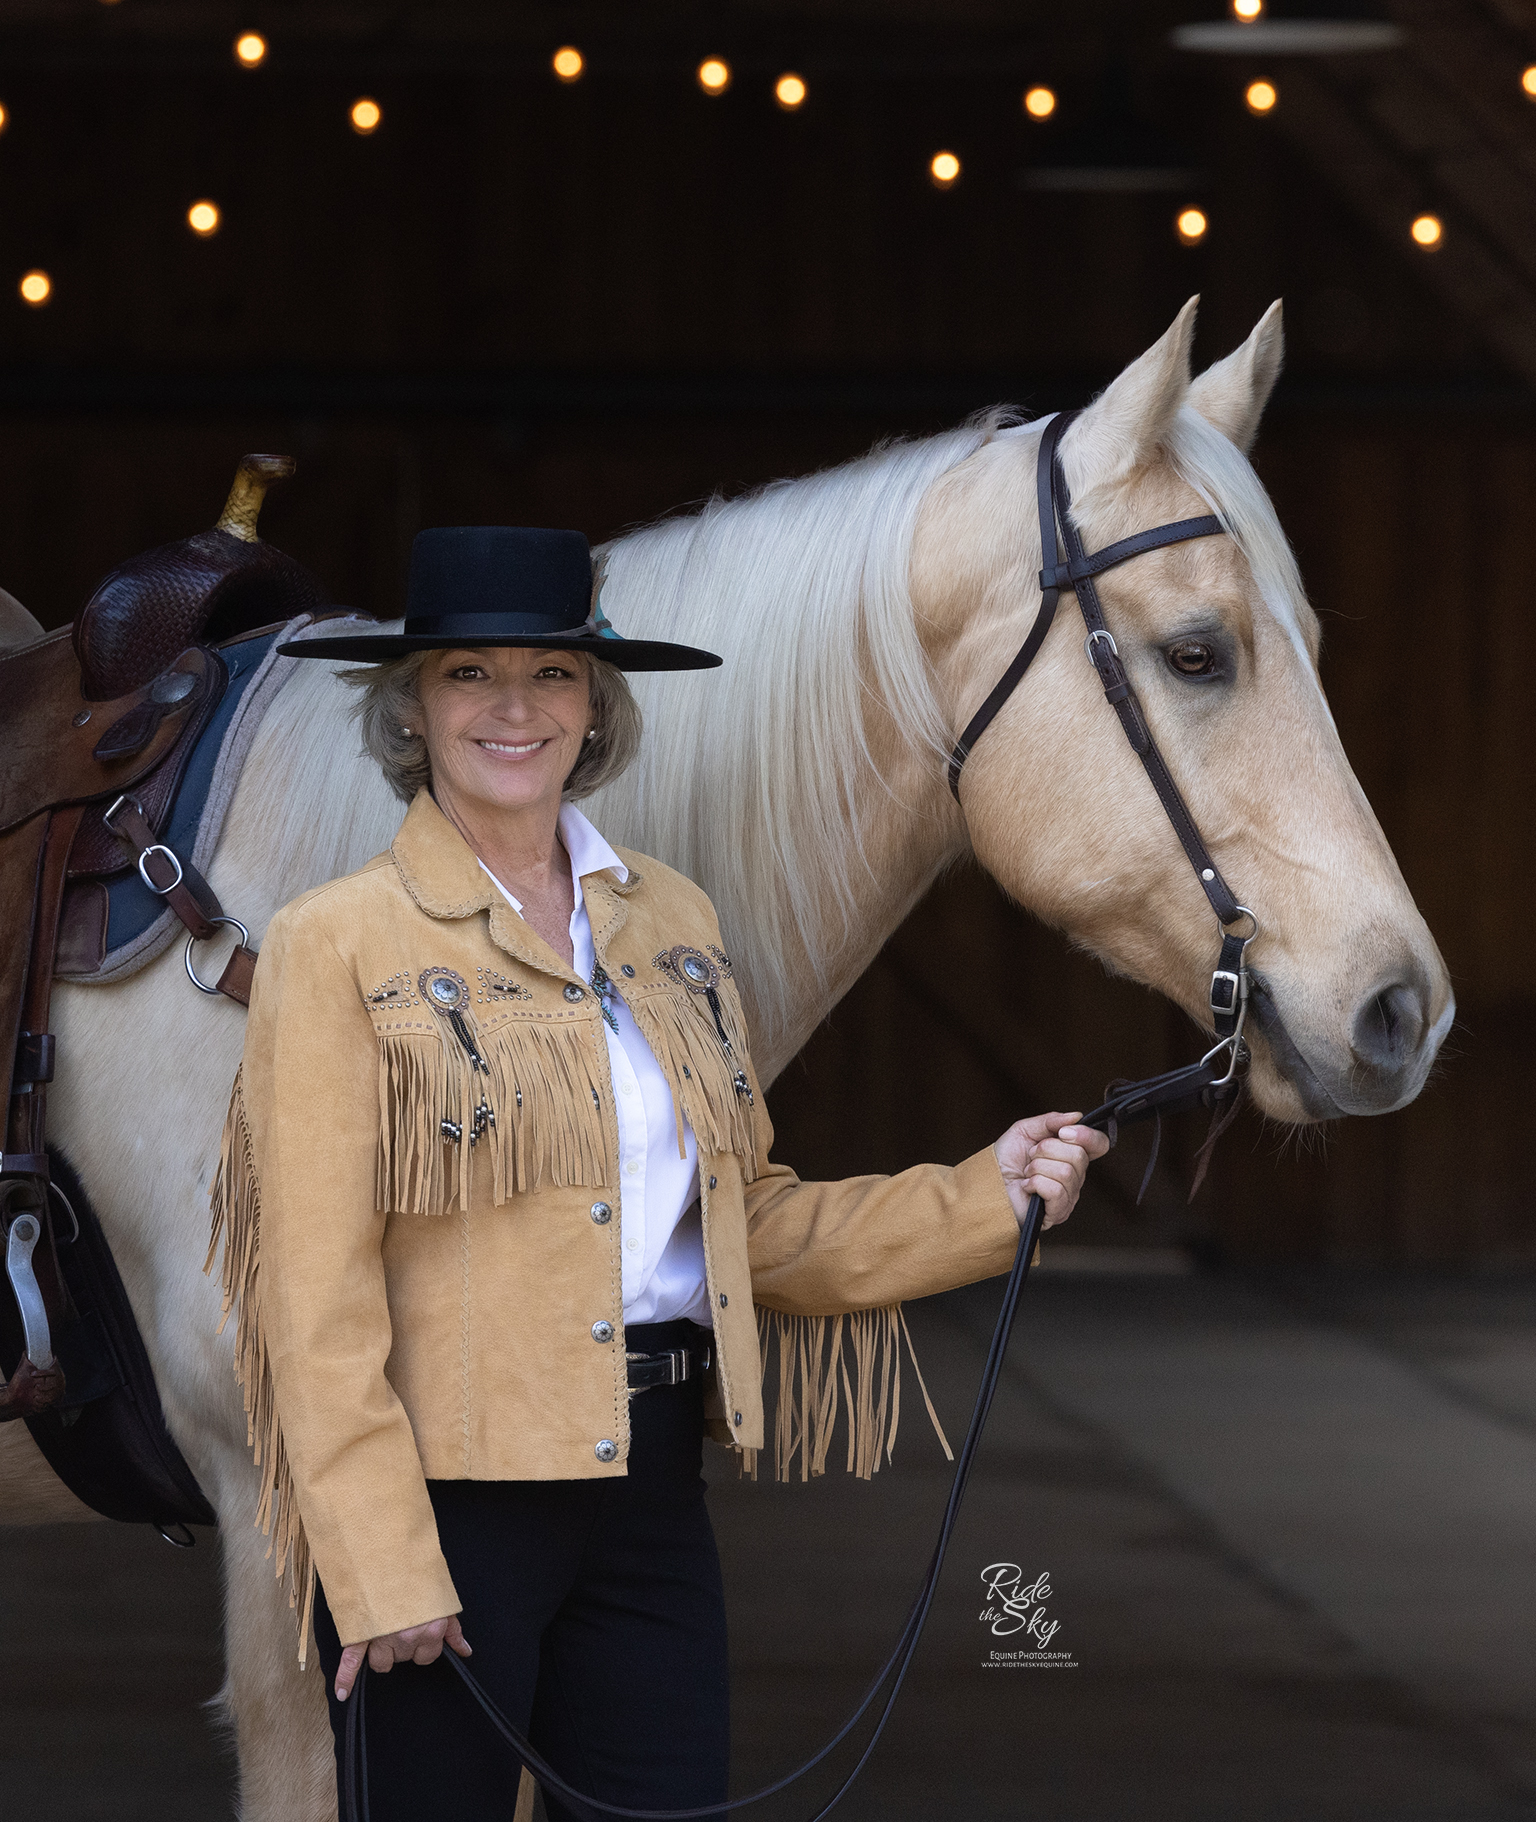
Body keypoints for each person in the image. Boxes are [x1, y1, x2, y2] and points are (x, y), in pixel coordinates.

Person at [209, 525, 1109, 1822]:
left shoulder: (671, 924)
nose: (514, 709)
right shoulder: (337, 942)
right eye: (470, 675)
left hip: (653, 1497)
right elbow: (313, 1287)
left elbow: (746, 1226)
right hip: (456, 1504)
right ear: (413, 707)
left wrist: (988, 1195)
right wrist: (378, 1560)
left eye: (553, 676)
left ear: (597, 705)